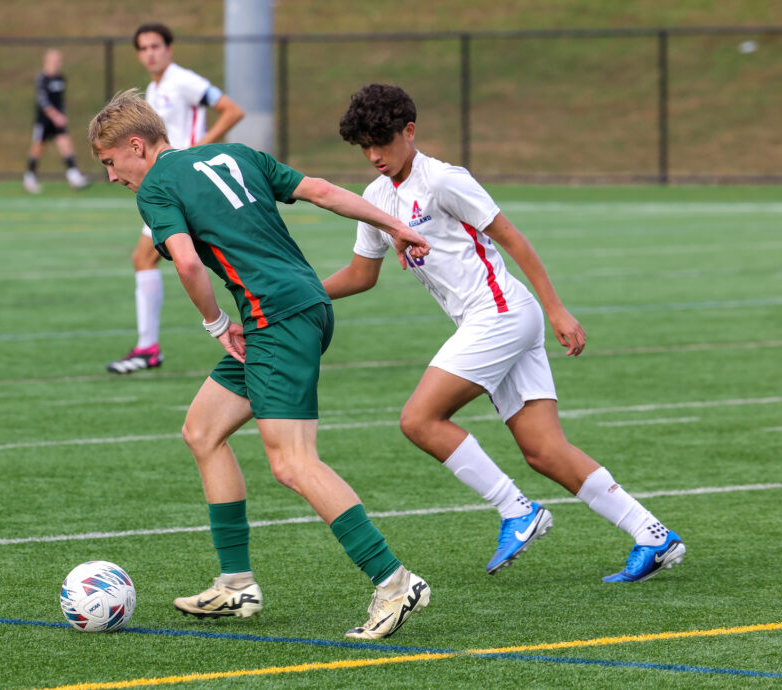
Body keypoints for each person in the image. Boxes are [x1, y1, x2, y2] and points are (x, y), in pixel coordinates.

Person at [88, 90, 431, 639]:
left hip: (275, 319)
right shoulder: (235, 153)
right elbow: (320, 191)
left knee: (293, 463)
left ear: (136, 146)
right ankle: (235, 585)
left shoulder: (156, 186)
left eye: (110, 163)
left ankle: (394, 582)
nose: (111, 176)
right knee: (202, 430)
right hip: (303, 306)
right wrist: (394, 224)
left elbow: (187, 263)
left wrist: (215, 324)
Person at [324, 83, 686, 584]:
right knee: (543, 450)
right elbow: (362, 275)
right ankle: (653, 535)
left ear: (410, 132)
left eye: (381, 142)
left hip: (499, 314)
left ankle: (516, 510)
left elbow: (511, 237)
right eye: (364, 146)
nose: (373, 155)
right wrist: (299, 295)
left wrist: (557, 310)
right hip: (492, 320)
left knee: (419, 419)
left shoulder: (444, 181)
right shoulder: (375, 197)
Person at [106, 23, 245, 374]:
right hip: (167, 185)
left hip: (180, 185)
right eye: (143, 48)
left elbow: (231, 110)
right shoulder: (153, 90)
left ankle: (149, 348)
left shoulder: (183, 80)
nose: (150, 53)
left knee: (157, 258)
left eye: (155, 46)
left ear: (169, 49)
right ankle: (148, 347)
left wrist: (199, 148)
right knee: (146, 259)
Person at [23, 49, 89, 194]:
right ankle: (30, 177)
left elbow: (60, 101)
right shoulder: (42, 79)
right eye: (55, 60)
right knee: (38, 148)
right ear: (47, 60)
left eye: (59, 60)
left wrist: (62, 114)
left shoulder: (60, 78)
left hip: (58, 120)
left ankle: (73, 176)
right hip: (44, 121)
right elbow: (43, 101)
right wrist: (55, 116)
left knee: (66, 144)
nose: (58, 63)